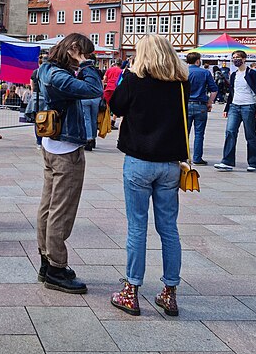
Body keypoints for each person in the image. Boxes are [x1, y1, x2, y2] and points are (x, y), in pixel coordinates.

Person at [109, 35, 187, 317]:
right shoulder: (180, 83)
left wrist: (129, 72)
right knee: (169, 229)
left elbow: (116, 106)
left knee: (137, 227)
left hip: (139, 161)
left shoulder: (134, 79)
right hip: (169, 164)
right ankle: (169, 293)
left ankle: (131, 292)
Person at [35, 33, 103, 294]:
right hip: (65, 149)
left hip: (53, 145)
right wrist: (85, 64)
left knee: (48, 205)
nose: (87, 60)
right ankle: (56, 267)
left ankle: (46, 260)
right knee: (61, 209)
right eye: (85, 53)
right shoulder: (58, 75)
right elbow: (94, 90)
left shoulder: (47, 69)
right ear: (74, 49)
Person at [214, 50, 256, 172]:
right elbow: (232, 92)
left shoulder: (251, 73)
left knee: (250, 134)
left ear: (244, 59)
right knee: (230, 132)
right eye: (234, 57)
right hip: (234, 106)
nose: (235, 59)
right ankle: (227, 161)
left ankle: (254, 162)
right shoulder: (234, 75)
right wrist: (227, 107)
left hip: (248, 106)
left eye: (238, 57)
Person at [185, 53, 218, 165]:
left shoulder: (183, 72)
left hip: (186, 105)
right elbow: (214, 90)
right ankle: (197, 158)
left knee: (185, 132)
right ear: (198, 61)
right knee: (199, 133)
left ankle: (183, 157)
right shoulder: (205, 73)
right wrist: (209, 102)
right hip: (201, 105)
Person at [80, 53, 103, 152]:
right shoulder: (97, 71)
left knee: (87, 119)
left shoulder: (83, 70)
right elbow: (101, 83)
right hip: (96, 97)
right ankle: (93, 138)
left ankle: (88, 139)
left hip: (85, 97)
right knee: (94, 119)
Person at [25, 53, 47, 151]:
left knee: (37, 121)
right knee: (48, 120)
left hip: (36, 99)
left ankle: (39, 141)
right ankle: (46, 140)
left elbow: (32, 87)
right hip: (47, 99)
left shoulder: (35, 72)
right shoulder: (50, 72)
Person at [102, 60, 124, 129]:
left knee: (106, 106)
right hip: (116, 90)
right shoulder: (121, 71)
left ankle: (105, 122)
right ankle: (112, 122)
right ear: (121, 64)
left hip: (108, 89)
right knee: (116, 106)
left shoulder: (109, 69)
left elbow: (104, 79)